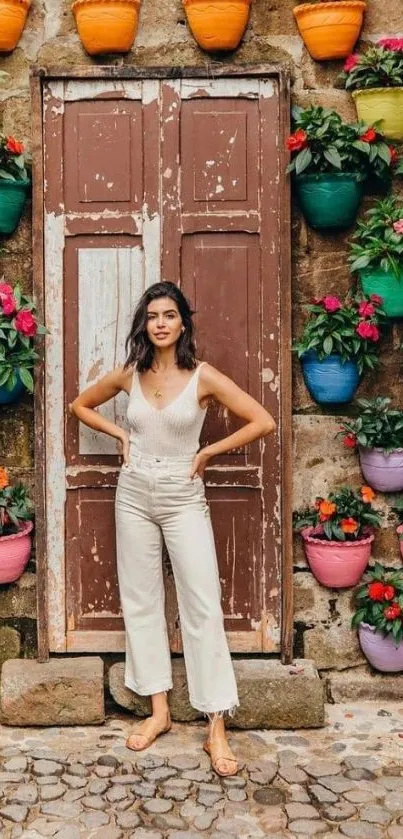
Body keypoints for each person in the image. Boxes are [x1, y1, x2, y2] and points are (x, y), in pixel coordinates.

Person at [70, 281, 276, 777]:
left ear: (183, 323)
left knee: (201, 603)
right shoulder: (129, 375)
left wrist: (207, 452)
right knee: (142, 600)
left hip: (184, 496)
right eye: (153, 315)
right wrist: (119, 432)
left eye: (170, 315)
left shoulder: (203, 377)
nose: (160, 323)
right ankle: (159, 711)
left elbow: (262, 419)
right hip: (134, 493)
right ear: (145, 324)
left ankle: (216, 727)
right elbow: (80, 405)